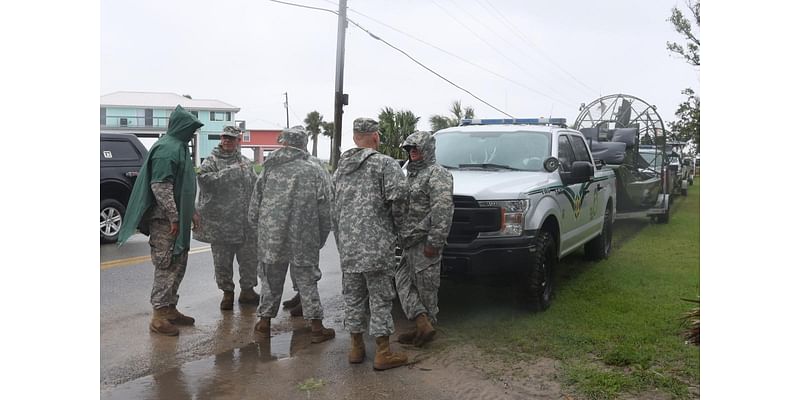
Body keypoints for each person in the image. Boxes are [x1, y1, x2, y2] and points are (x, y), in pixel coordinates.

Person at [117, 105, 203, 336]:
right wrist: (174, 216)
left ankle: (170, 309)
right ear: (181, 126)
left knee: (179, 263)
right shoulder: (167, 148)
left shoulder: (180, 147)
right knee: (167, 265)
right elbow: (161, 186)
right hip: (165, 220)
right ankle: (158, 317)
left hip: (177, 218)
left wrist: (192, 211)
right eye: (190, 127)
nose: (191, 132)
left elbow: (182, 187)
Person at [332, 117, 409, 370]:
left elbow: (334, 210)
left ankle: (356, 348)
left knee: (353, 298)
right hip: (377, 246)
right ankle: (383, 352)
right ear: (375, 136)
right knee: (380, 298)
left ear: (355, 138)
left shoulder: (340, 169)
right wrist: (398, 231)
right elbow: (399, 202)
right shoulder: (385, 164)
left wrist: (342, 241)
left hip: (350, 248)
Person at [248, 126, 336, 344]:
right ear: (304, 144)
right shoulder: (314, 170)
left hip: (272, 237)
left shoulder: (269, 168)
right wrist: (321, 236)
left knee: (270, 281)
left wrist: (261, 233)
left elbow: (254, 207)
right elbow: (326, 208)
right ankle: (316, 327)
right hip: (304, 237)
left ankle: (263, 324)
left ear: (284, 143)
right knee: (307, 281)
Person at [395, 131, 454, 347]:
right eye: (409, 149)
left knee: (426, 288)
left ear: (427, 150)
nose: (412, 152)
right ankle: (421, 323)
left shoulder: (437, 174)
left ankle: (427, 329)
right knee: (402, 282)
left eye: (416, 148)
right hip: (408, 242)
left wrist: (434, 243)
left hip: (424, 241)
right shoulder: (410, 175)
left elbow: (443, 210)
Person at [195, 126, 259, 310]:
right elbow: (204, 180)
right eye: (225, 138)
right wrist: (230, 172)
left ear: (238, 141)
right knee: (222, 262)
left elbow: (255, 185)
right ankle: (227, 294)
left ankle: (248, 291)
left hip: (245, 224)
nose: (227, 141)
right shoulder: (211, 161)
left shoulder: (245, 162)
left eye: (232, 138)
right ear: (221, 139)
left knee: (249, 260)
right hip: (221, 224)